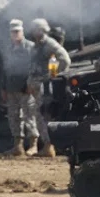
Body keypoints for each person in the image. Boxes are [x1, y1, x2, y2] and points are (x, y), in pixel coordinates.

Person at [25, 18, 70, 157]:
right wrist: (29, 83)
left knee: (46, 116)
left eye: (37, 29)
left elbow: (64, 59)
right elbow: (32, 67)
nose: (34, 32)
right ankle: (46, 145)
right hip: (36, 86)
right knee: (39, 116)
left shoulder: (49, 44)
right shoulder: (36, 47)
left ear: (43, 30)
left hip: (45, 86)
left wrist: (53, 75)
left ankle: (49, 146)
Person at [0, 19, 34, 158]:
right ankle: (17, 146)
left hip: (26, 87)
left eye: (17, 31)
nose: (15, 34)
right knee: (13, 117)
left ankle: (33, 145)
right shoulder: (7, 49)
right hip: (11, 87)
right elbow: (4, 69)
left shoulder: (31, 47)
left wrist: (30, 84)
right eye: (13, 32)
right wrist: (3, 87)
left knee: (29, 115)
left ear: (22, 32)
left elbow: (35, 67)